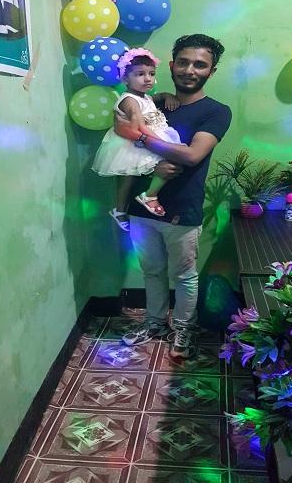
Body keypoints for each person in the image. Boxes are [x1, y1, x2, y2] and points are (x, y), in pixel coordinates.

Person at [117, 34, 232, 359]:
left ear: (211, 71)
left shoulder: (216, 111)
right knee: (151, 272)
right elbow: (119, 135)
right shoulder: (149, 102)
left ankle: (183, 328)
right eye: (183, 62)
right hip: (141, 207)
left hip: (183, 210)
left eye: (200, 65)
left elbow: (192, 155)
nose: (189, 70)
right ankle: (154, 323)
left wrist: (141, 138)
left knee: (184, 275)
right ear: (171, 65)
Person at [92, 48, 183, 232]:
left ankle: (120, 209)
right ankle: (149, 195)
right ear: (126, 79)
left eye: (151, 74)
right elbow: (139, 126)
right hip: (136, 140)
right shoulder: (129, 101)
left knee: (129, 177)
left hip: (144, 138)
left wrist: (166, 95)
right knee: (166, 163)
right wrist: (163, 144)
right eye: (140, 74)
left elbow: (154, 98)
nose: (148, 79)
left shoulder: (144, 97)